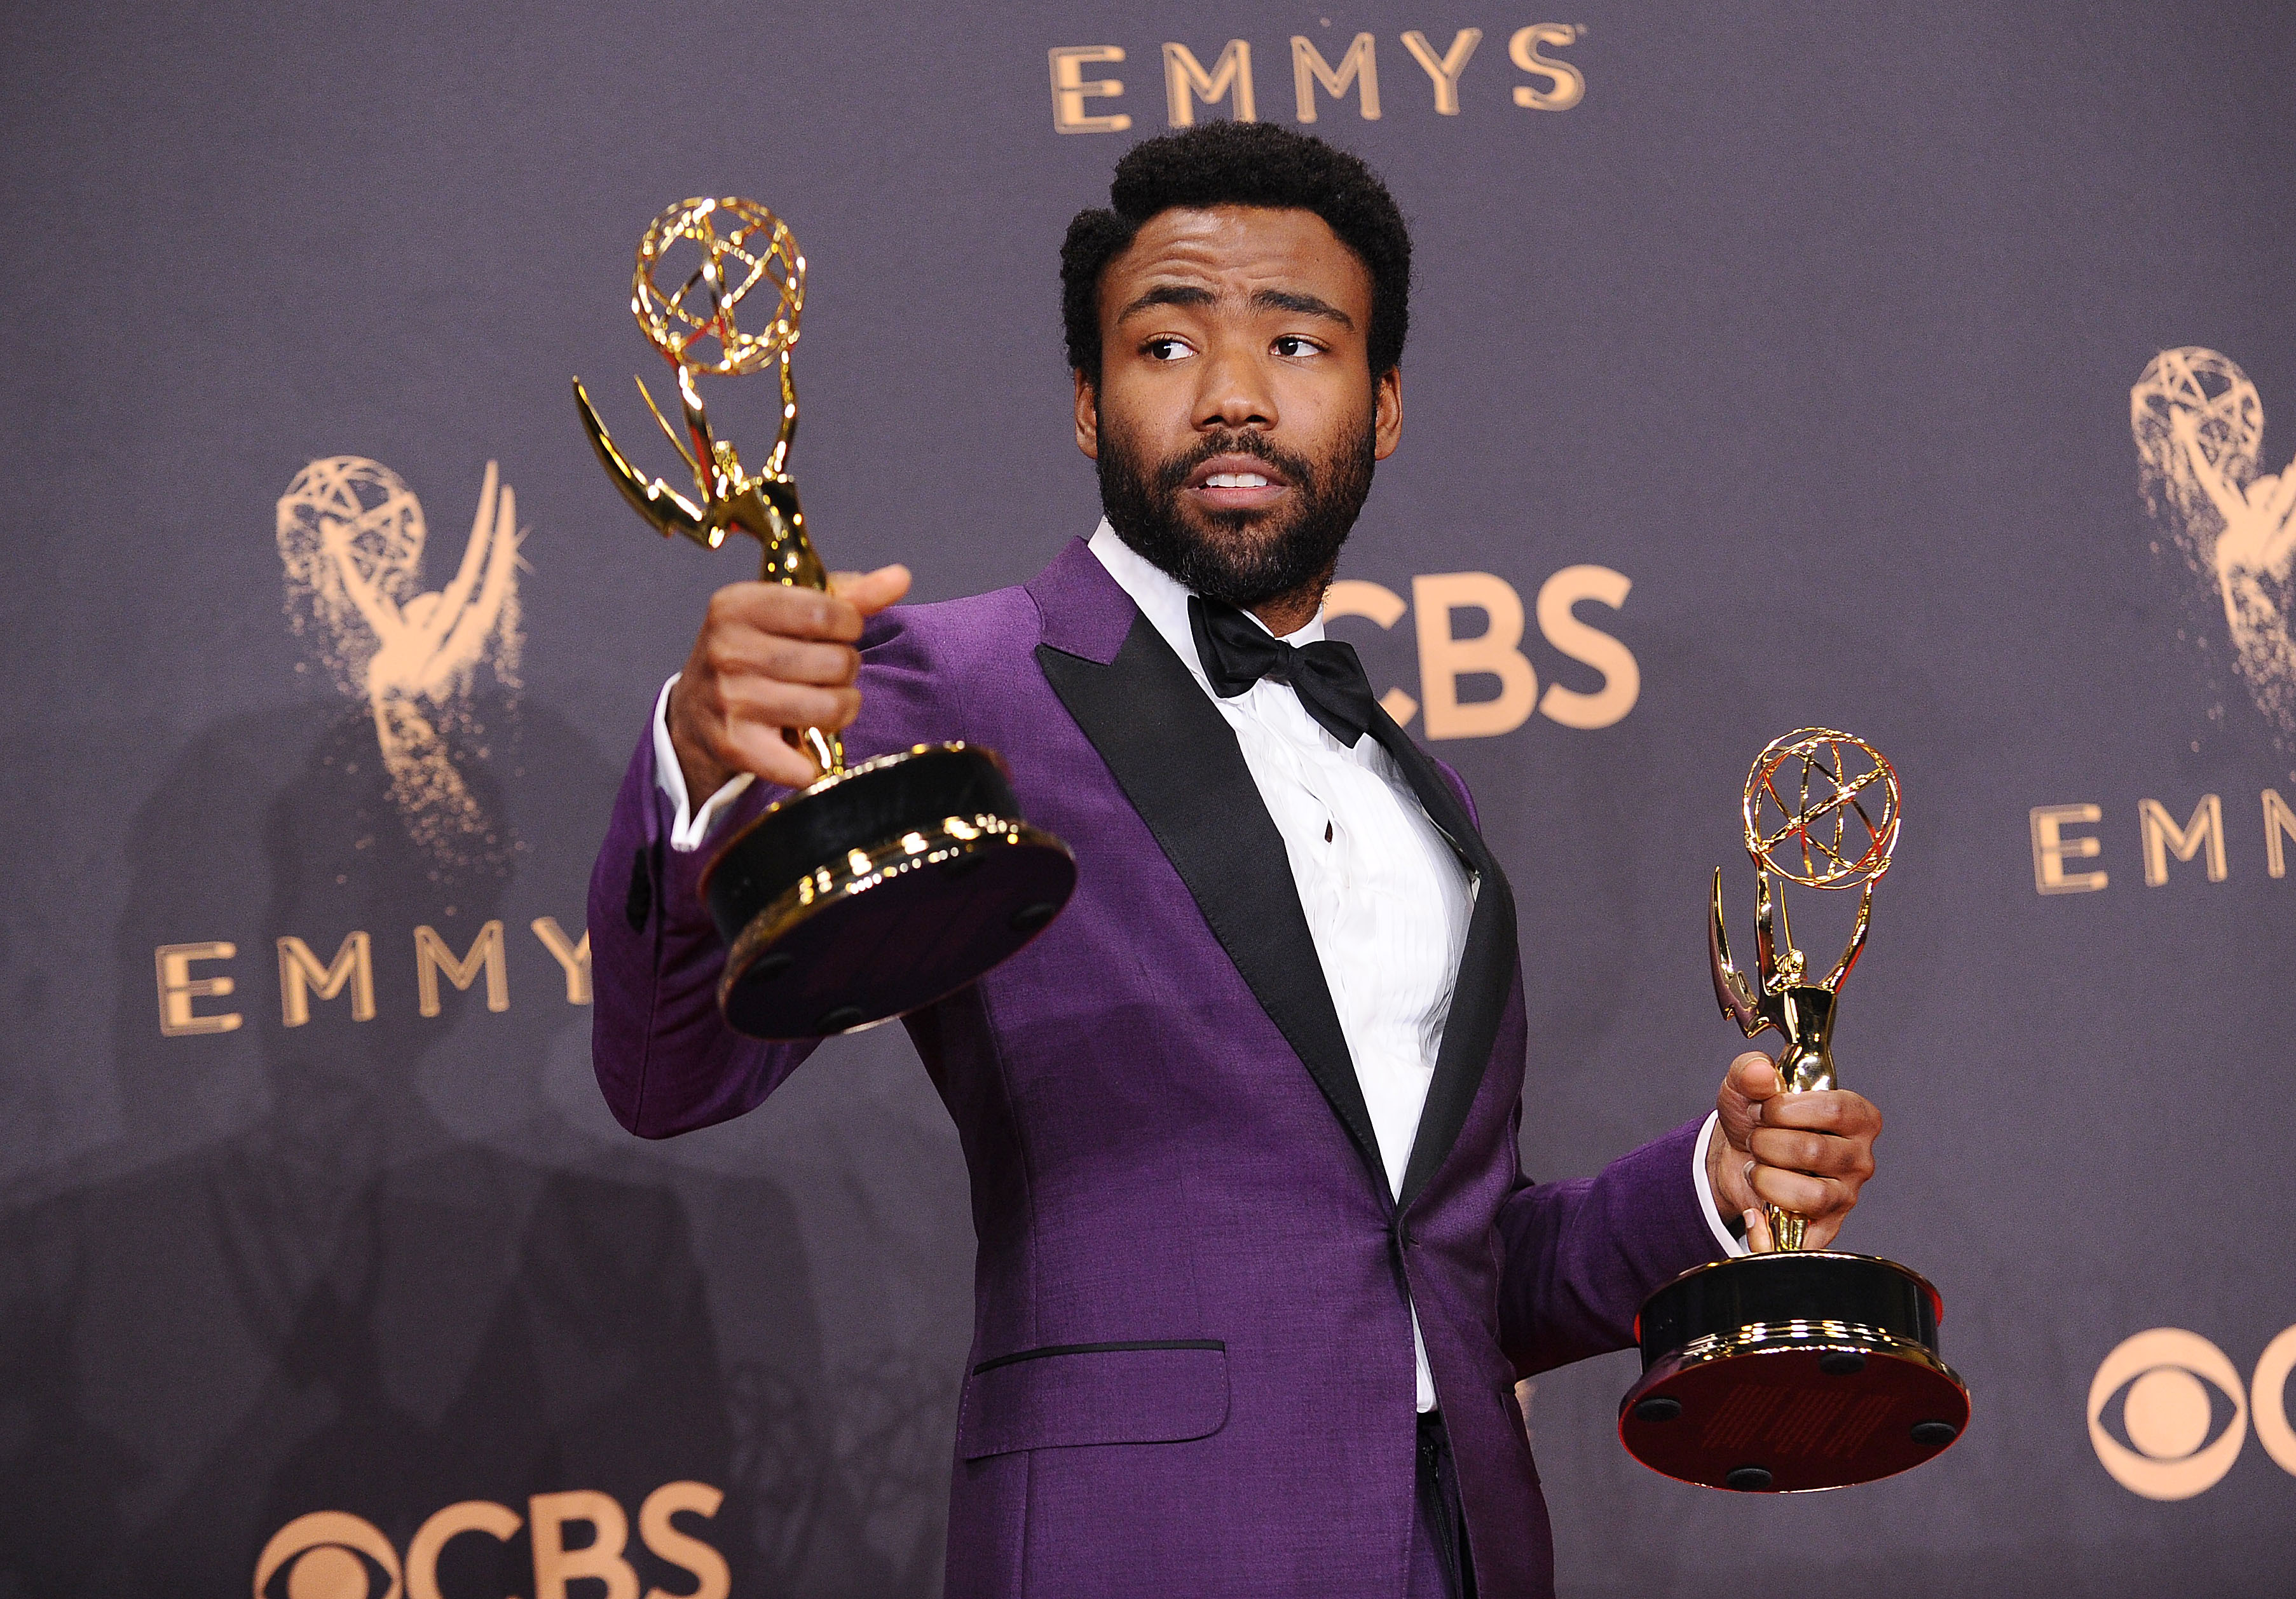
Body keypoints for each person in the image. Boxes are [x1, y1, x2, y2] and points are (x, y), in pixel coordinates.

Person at [588, 122, 1882, 1599]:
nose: (1235, 397)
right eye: (1165, 345)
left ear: (1383, 407)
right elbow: (673, 1069)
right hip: (1137, 1554)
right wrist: (696, 764)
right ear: (1087, 402)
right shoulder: (953, 683)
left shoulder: (1416, 789)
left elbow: (1440, 1272)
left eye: (1299, 343)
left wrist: (1716, 1188)